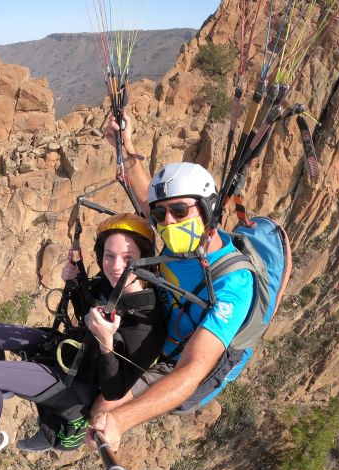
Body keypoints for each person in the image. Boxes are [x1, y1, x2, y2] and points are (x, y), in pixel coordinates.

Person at [86, 114, 256, 452]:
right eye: (161, 214)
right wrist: (125, 145)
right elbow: (146, 192)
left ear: (207, 210)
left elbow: (192, 370)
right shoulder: (182, 238)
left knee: (100, 411)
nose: (168, 221)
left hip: (179, 358)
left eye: (179, 211)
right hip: (163, 326)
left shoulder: (234, 284)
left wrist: (121, 420)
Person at [0, 214, 166, 468]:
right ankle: (8, 386)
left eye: (128, 259)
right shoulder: (108, 283)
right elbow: (85, 310)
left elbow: (115, 391)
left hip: (78, 383)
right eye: (109, 256)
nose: (115, 266)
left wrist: (106, 342)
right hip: (70, 349)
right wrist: (76, 282)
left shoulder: (147, 323)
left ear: (144, 261)